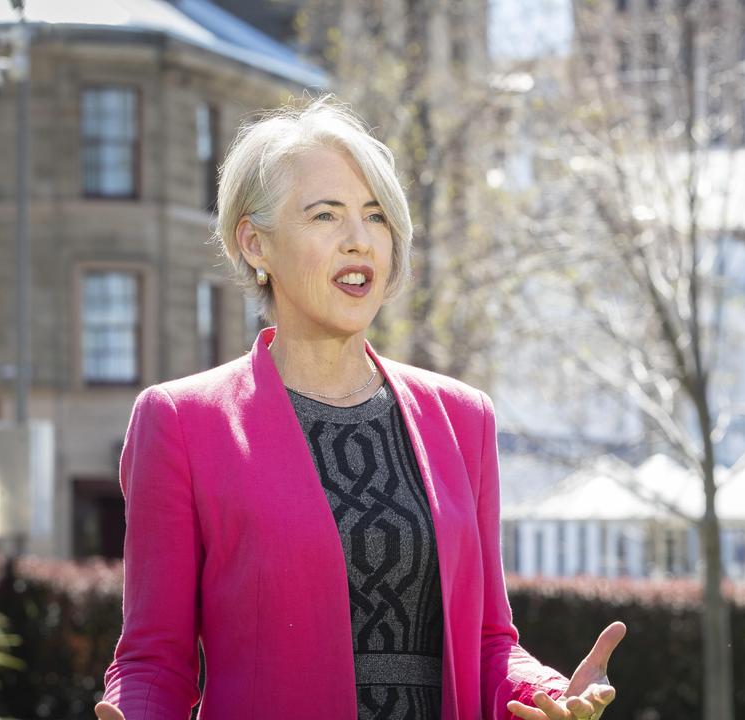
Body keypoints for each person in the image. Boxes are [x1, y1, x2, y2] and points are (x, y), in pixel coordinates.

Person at [94, 96, 625, 720]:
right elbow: (154, 659)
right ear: (254, 243)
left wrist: (540, 691)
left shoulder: (463, 419)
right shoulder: (182, 422)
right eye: (326, 215)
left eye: (375, 217)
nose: (358, 241)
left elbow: (487, 643)